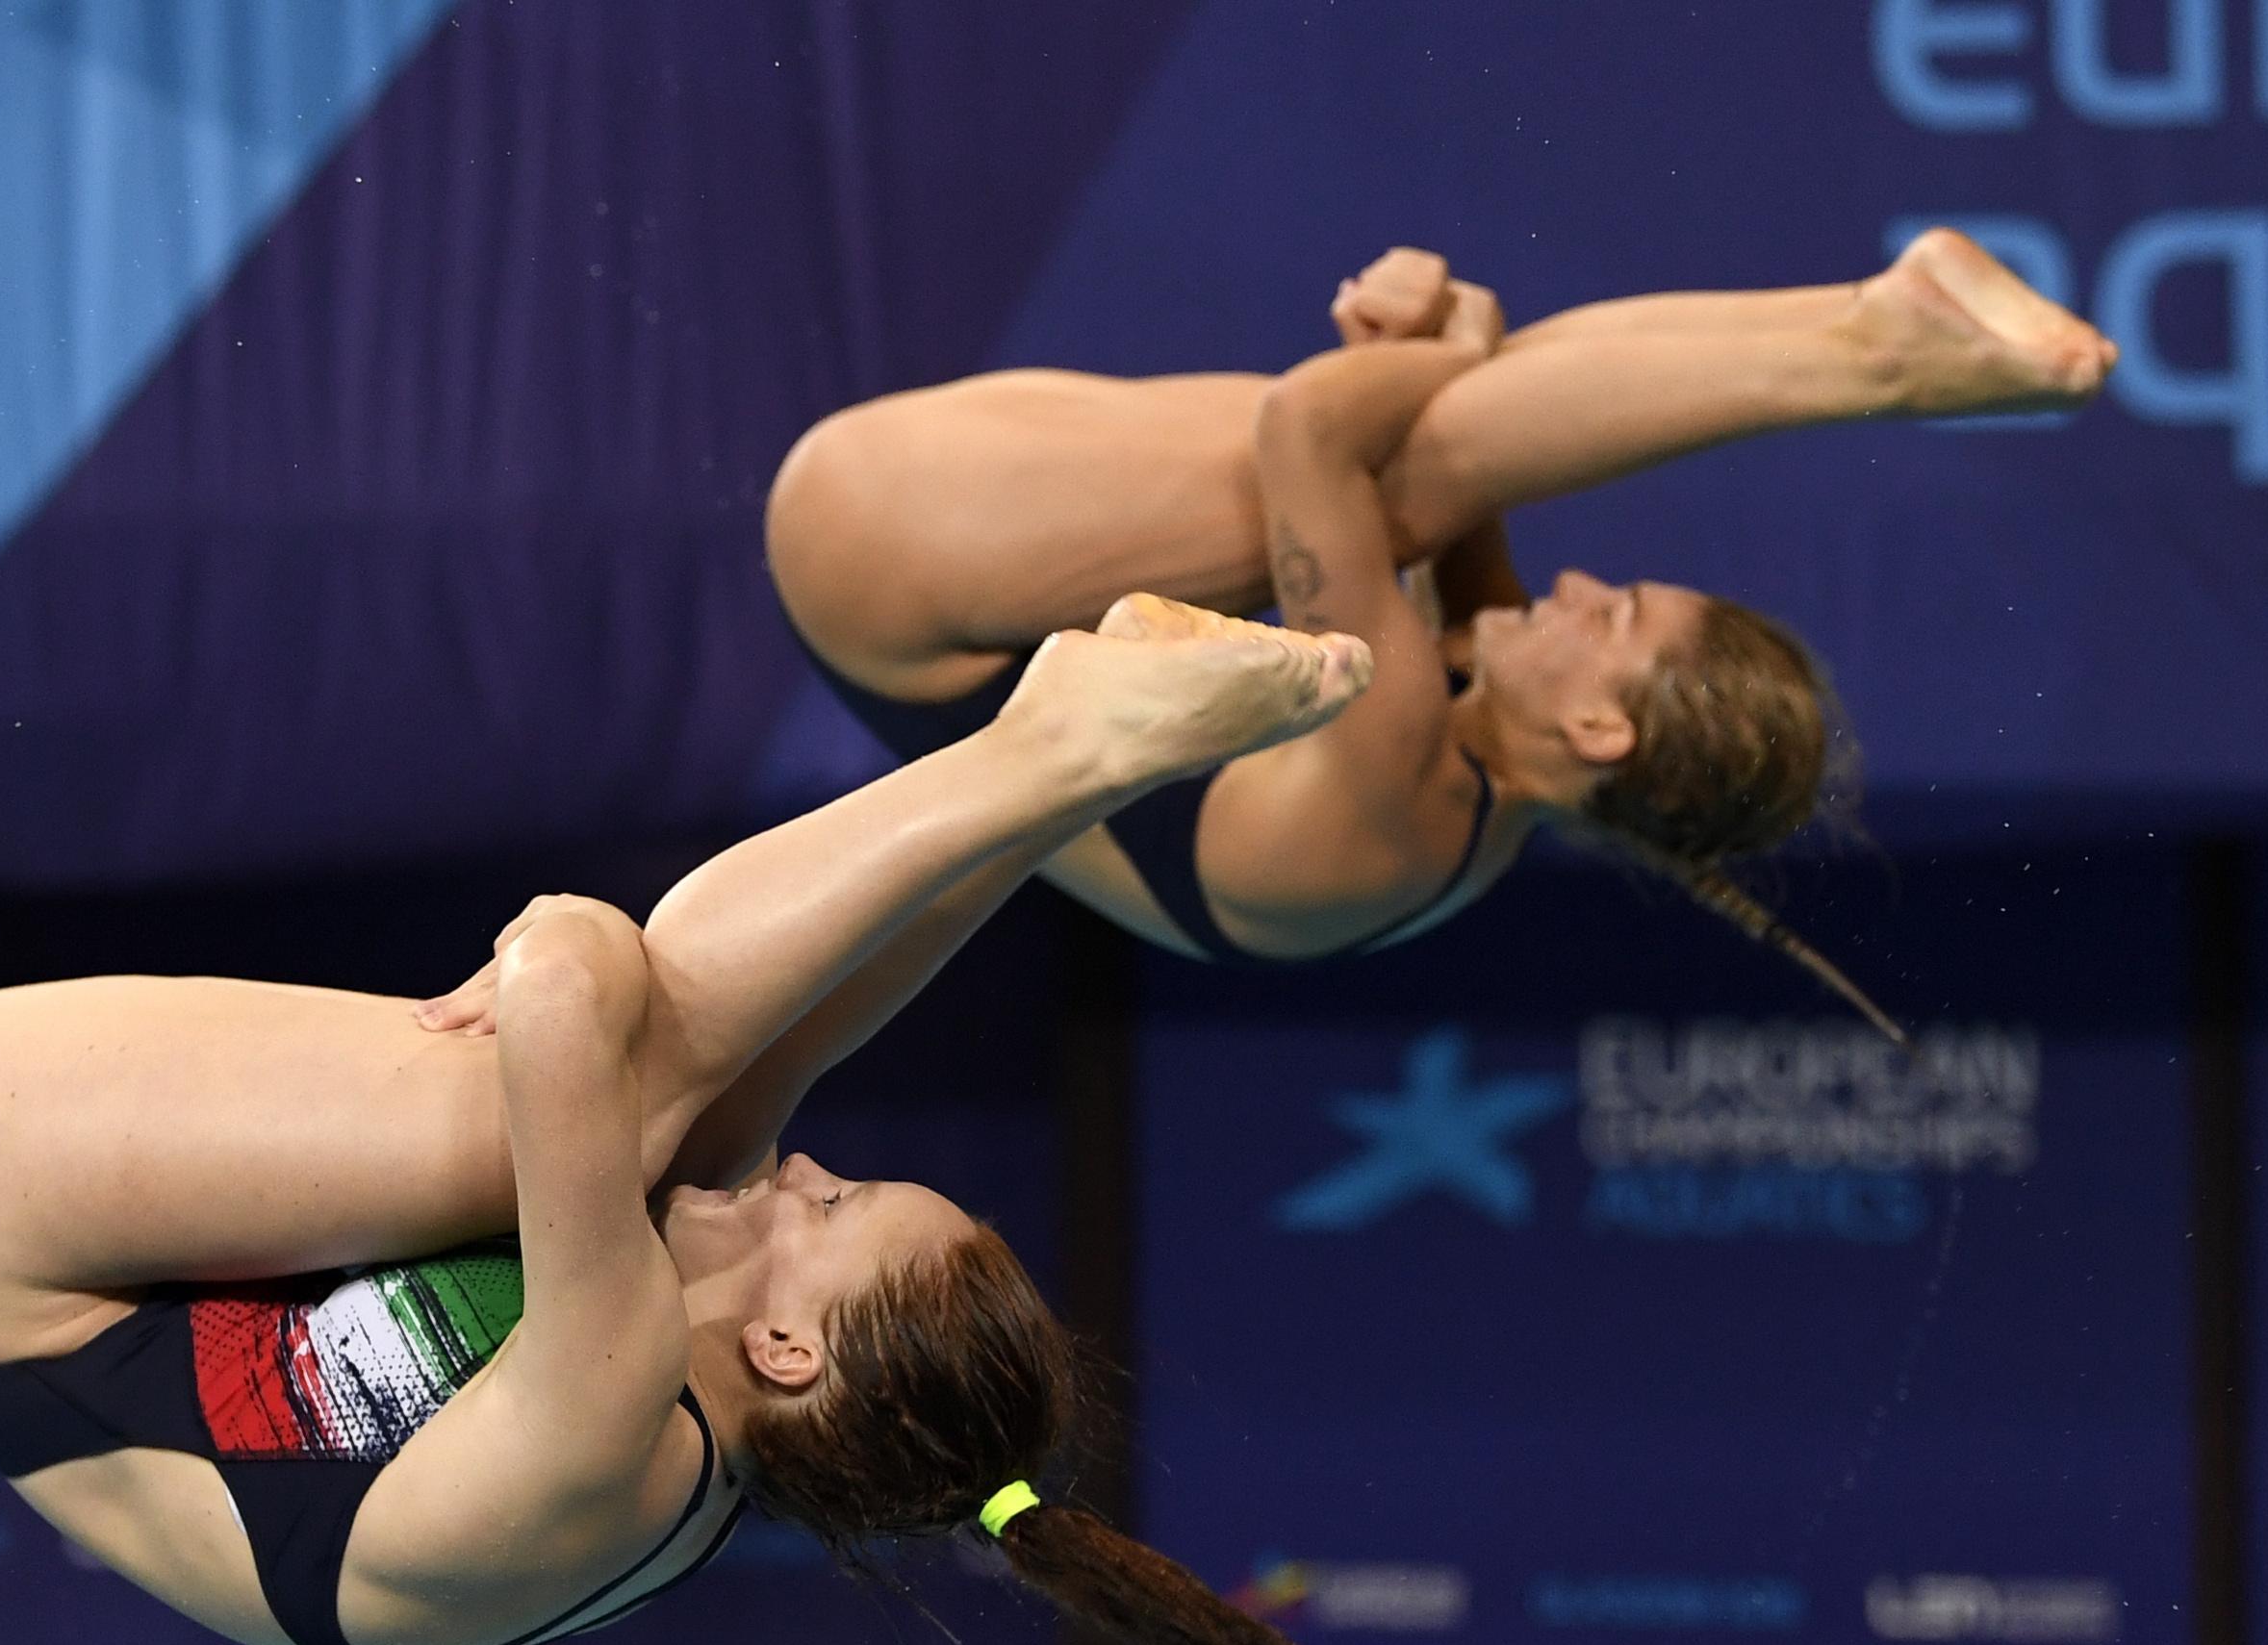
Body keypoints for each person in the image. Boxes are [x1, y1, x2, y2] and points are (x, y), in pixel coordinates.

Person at [0, 601, 1577, 1645]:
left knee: (650, 1056)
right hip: (97, 1246)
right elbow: (783, 1039)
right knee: (709, 1082)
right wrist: (1020, 842)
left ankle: (1066, 742)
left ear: (793, 1352)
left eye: (828, 1215)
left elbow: (581, 984)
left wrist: (560, 977)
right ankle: (1064, 769)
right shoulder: (711, 1368)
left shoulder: (608, 1431)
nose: (809, 1177)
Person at [768, 228, 2119, 1039]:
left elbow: (1313, 428)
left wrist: (1442, 350)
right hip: (945, 582)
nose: (1581, 585)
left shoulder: (1399, 770)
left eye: (1616, 619)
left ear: (1600, 728)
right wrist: (1452, 338)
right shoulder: (1478, 749)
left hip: (891, 572)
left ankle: (1879, 355)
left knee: (1422, 453)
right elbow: (1454, 452)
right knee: (1450, 442)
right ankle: (1871, 319)